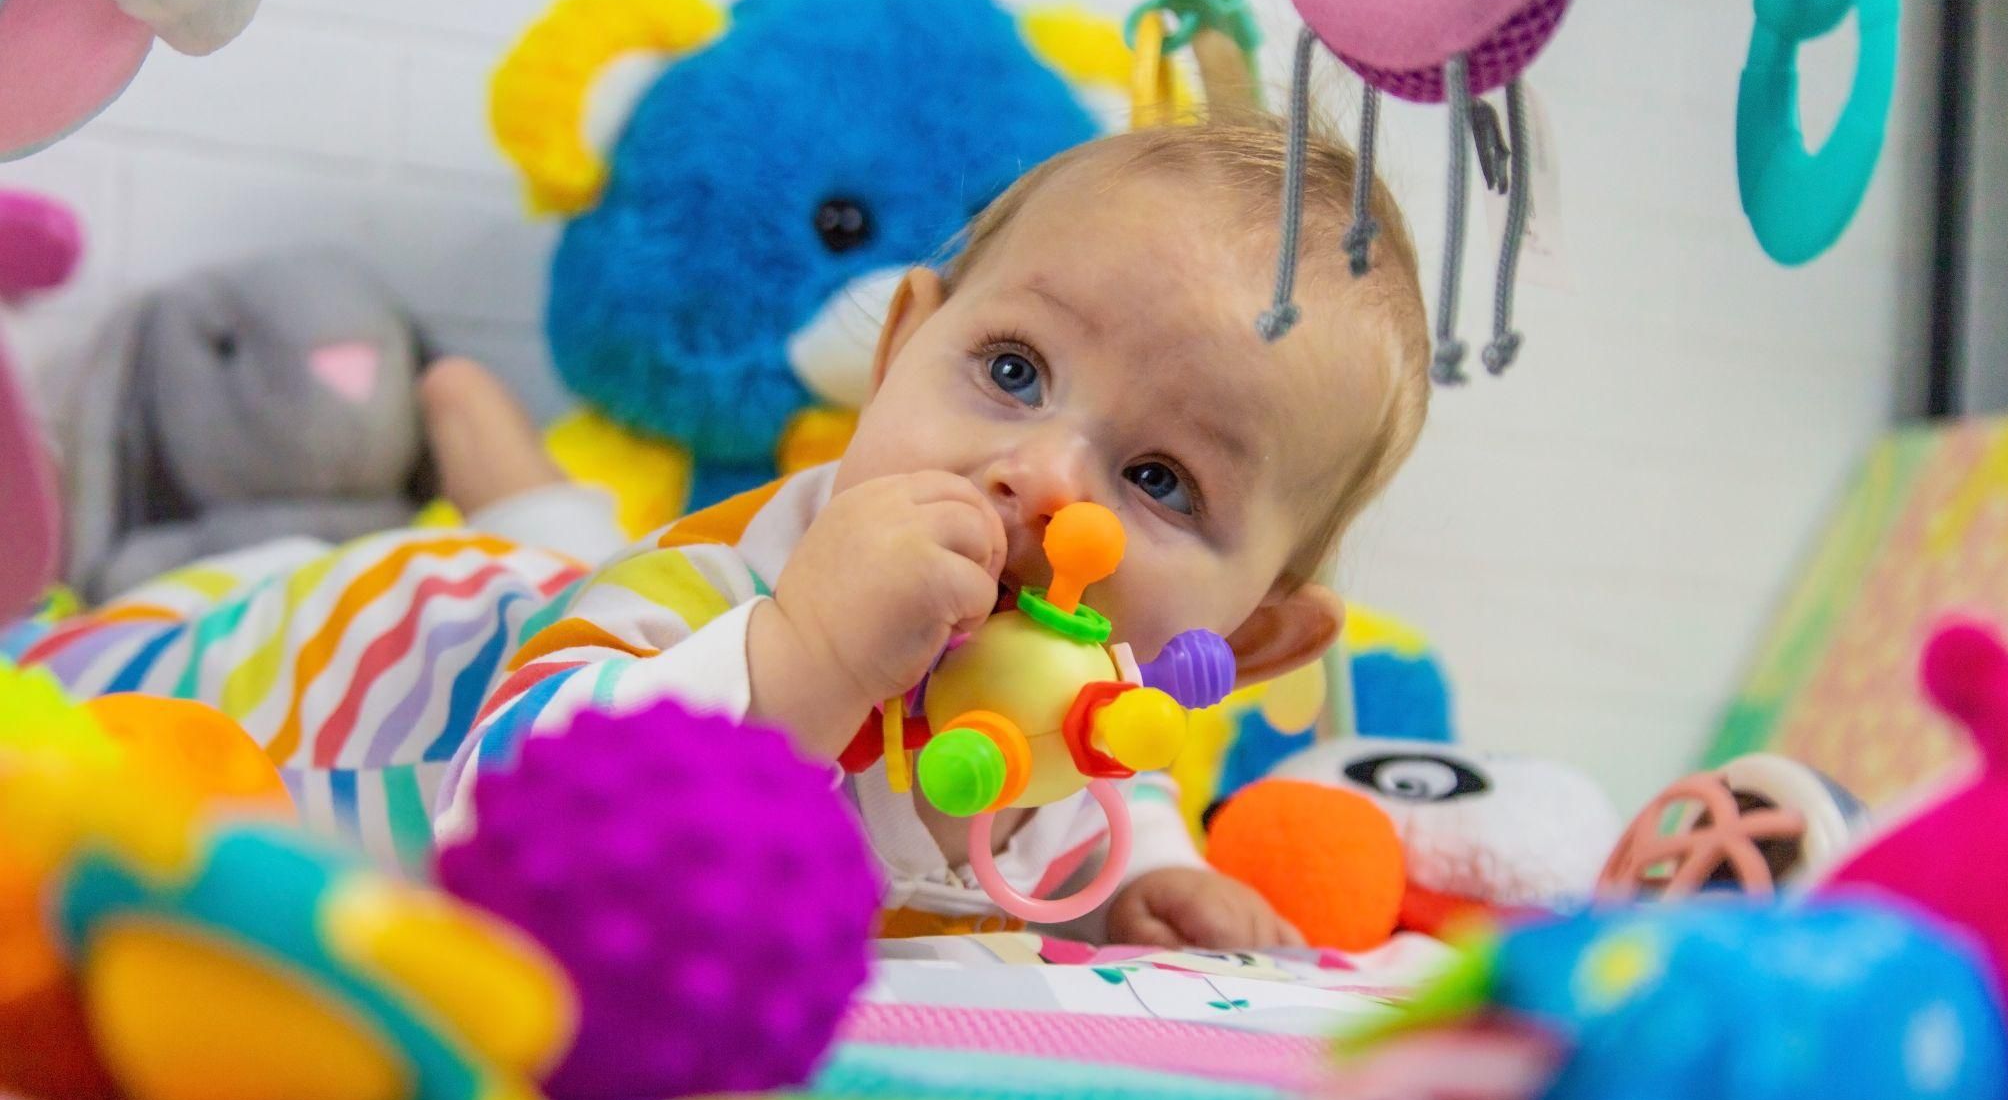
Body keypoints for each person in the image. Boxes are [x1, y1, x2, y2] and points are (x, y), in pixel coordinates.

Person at [8, 113, 1430, 948]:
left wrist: (1150, 874)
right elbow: (511, 821)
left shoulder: (1099, 713)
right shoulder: (719, 593)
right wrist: (801, 659)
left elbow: (1107, 792)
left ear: (1244, 639)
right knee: (63, 720)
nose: (1047, 479)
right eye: (1012, 370)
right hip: (363, 659)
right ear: (897, 357)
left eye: (1165, 480)